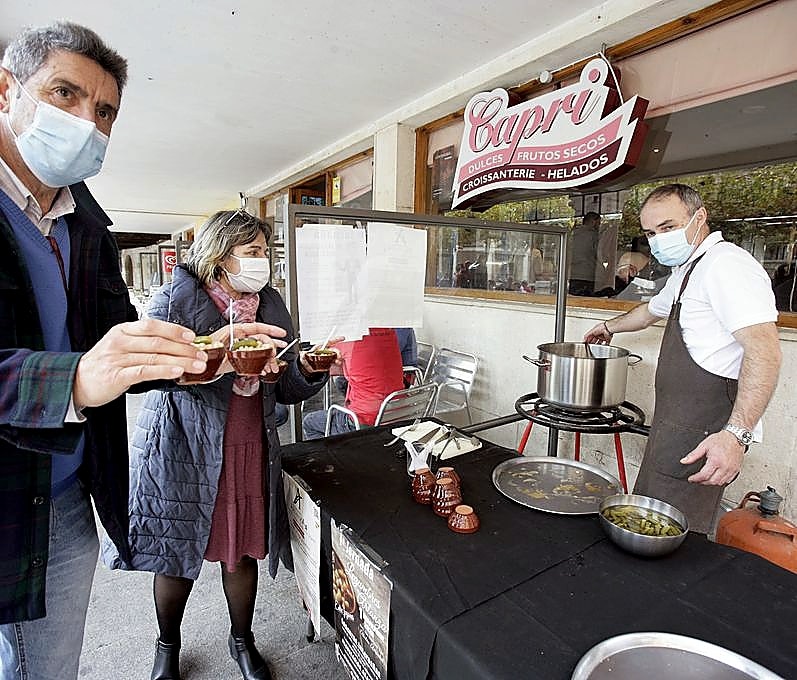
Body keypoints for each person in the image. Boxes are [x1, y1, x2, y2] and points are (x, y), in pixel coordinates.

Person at [0, 22, 216, 680]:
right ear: (6, 90)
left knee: (47, 668)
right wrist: (70, 381)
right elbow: (88, 370)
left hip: (62, 496)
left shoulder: (86, 225)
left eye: (103, 112)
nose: (84, 122)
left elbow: (118, 341)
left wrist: (206, 352)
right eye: (63, 93)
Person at [102, 211, 336, 680]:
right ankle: (166, 646)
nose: (262, 263)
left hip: (250, 441)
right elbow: (146, 375)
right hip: (183, 446)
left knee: (243, 549)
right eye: (251, 253)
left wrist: (307, 370)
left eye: (265, 253)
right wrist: (213, 358)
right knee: (175, 553)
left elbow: (284, 386)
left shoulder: (270, 304)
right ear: (218, 255)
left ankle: (242, 640)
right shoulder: (174, 300)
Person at [584, 184, 781, 533]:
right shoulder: (689, 271)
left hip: (704, 429)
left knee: (675, 529)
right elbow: (648, 313)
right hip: (674, 424)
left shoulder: (727, 266)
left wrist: (735, 436)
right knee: (649, 515)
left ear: (699, 217)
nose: (658, 240)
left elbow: (764, 352)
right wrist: (608, 326)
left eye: (668, 227)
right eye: (650, 233)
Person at [303, 328, 404, 439]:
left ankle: (336, 454)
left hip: (365, 419)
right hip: (397, 412)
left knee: (310, 422)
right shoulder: (390, 333)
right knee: (343, 384)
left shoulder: (348, 339)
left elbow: (325, 369)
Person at [568, 211, 600, 296]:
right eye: (598, 223)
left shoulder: (572, 234)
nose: (599, 226)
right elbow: (600, 254)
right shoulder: (594, 235)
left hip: (572, 275)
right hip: (588, 274)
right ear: (593, 222)